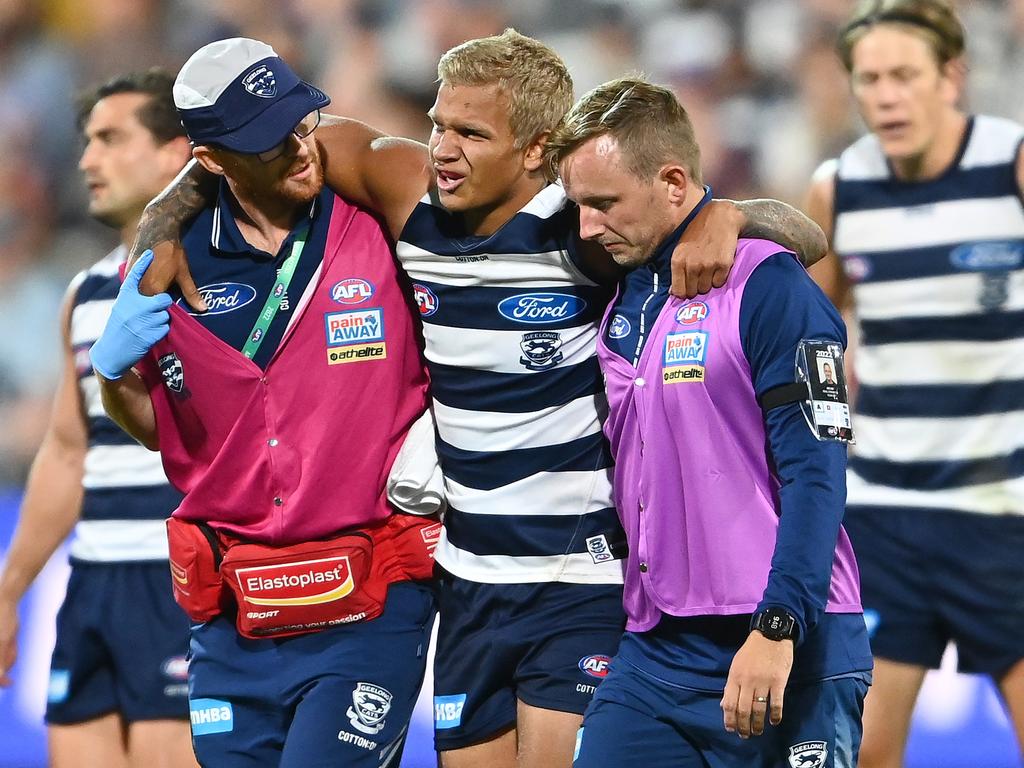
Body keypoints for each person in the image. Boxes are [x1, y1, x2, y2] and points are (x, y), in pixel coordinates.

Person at [131, 32, 830, 768]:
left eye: (471, 133)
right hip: (467, 582)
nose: (442, 148)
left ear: (536, 152)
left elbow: (805, 236)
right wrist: (165, 216)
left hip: (579, 579)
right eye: (438, 124)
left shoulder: (582, 231)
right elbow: (261, 146)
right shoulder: (405, 193)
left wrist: (723, 216)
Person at [89, 39, 440, 768]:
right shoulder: (172, 260)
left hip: (369, 606)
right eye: (266, 142)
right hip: (233, 622)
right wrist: (114, 377)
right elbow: (166, 432)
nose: (298, 149)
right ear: (212, 159)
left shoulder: (368, 210)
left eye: (299, 123)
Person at [546, 76, 873, 767]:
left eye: (604, 204)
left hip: (787, 641)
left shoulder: (768, 285)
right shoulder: (623, 285)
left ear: (671, 181)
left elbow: (817, 473)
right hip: (657, 651)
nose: (587, 227)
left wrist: (778, 629)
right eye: (580, 205)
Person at [805, 1, 1024, 765]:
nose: (886, 96)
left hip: (1004, 512)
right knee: (864, 751)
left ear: (951, 77)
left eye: (904, 75)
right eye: (868, 79)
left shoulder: (1013, 164)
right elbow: (809, 335)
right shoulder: (841, 187)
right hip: (885, 514)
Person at [0, 70, 196, 768]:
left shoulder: (224, 281)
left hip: (181, 581)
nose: (86, 160)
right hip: (93, 586)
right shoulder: (84, 293)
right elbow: (65, 452)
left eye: (111, 139)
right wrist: (12, 588)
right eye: (85, 142)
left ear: (178, 152)